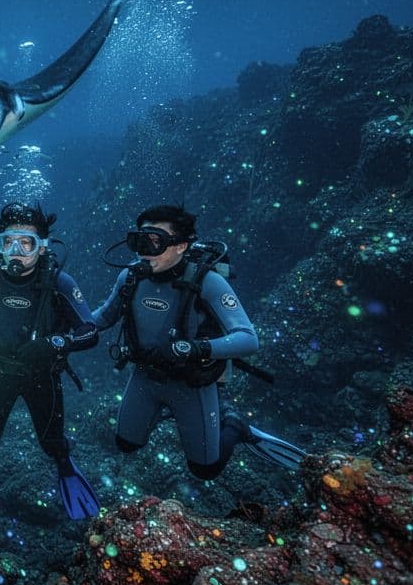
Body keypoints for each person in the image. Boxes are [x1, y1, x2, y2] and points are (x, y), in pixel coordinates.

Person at [87, 204, 306, 482]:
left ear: (181, 245)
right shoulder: (130, 276)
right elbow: (104, 316)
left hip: (190, 383)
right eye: (139, 240)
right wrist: (69, 329)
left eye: (155, 242)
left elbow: (248, 339)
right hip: (144, 376)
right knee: (126, 444)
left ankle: (234, 424)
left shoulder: (208, 282)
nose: (144, 250)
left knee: (205, 470)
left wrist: (199, 348)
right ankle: (165, 413)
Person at [0, 203, 103, 520]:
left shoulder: (60, 283)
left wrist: (55, 343)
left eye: (26, 243)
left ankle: (65, 466)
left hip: (42, 375)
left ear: (42, 247)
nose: (16, 252)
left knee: (52, 441)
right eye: (8, 242)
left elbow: (90, 332)